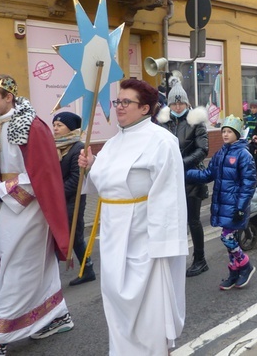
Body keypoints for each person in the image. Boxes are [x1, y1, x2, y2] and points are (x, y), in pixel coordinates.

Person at [77, 79, 187, 354]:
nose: (119, 107)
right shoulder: (114, 141)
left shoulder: (162, 141)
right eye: (117, 101)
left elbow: (169, 194)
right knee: (116, 300)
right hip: (114, 231)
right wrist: (91, 166)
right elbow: (106, 182)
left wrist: (163, 246)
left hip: (144, 235)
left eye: (126, 102)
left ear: (145, 108)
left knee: (147, 305)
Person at [0, 74, 73, 356]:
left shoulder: (33, 126)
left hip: (29, 208)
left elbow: (42, 174)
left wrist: (3, 189)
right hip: (9, 205)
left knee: (18, 267)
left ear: (9, 97)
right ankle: (57, 315)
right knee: (30, 265)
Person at [187, 115, 257, 290]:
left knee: (226, 237)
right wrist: (185, 172)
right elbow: (207, 175)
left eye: (229, 132)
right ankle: (234, 271)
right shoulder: (221, 153)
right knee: (230, 239)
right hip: (222, 204)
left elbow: (248, 184)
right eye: (223, 131)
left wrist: (241, 207)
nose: (225, 135)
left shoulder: (244, 155)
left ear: (237, 133)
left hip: (235, 207)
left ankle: (245, 265)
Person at [157, 76, 211, 277]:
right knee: (173, 221)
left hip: (190, 177)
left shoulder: (196, 122)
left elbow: (203, 149)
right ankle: (176, 259)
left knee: (193, 220)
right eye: (174, 102)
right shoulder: (163, 122)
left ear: (187, 103)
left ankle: (200, 259)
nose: (177, 106)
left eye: (180, 102)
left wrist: (181, 163)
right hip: (169, 178)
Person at [52, 111, 96, 285]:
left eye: (59, 125)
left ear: (70, 128)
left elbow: (76, 180)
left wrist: (54, 194)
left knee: (73, 236)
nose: (55, 128)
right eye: (54, 124)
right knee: (58, 236)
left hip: (72, 201)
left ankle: (87, 270)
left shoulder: (78, 148)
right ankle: (54, 278)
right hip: (56, 200)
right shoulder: (53, 146)